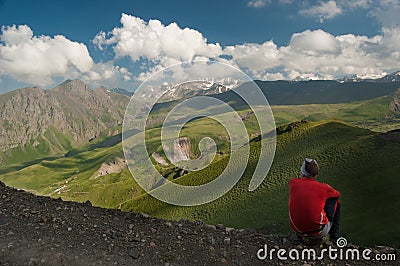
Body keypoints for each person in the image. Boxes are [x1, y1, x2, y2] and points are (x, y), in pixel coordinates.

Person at [288, 158, 341, 244]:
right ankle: (335, 238)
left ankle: (298, 238)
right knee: (335, 201)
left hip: (298, 230)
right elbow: (337, 194)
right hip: (319, 231)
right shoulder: (323, 188)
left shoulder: (293, 184)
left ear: (302, 172)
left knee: (300, 201)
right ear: (316, 174)